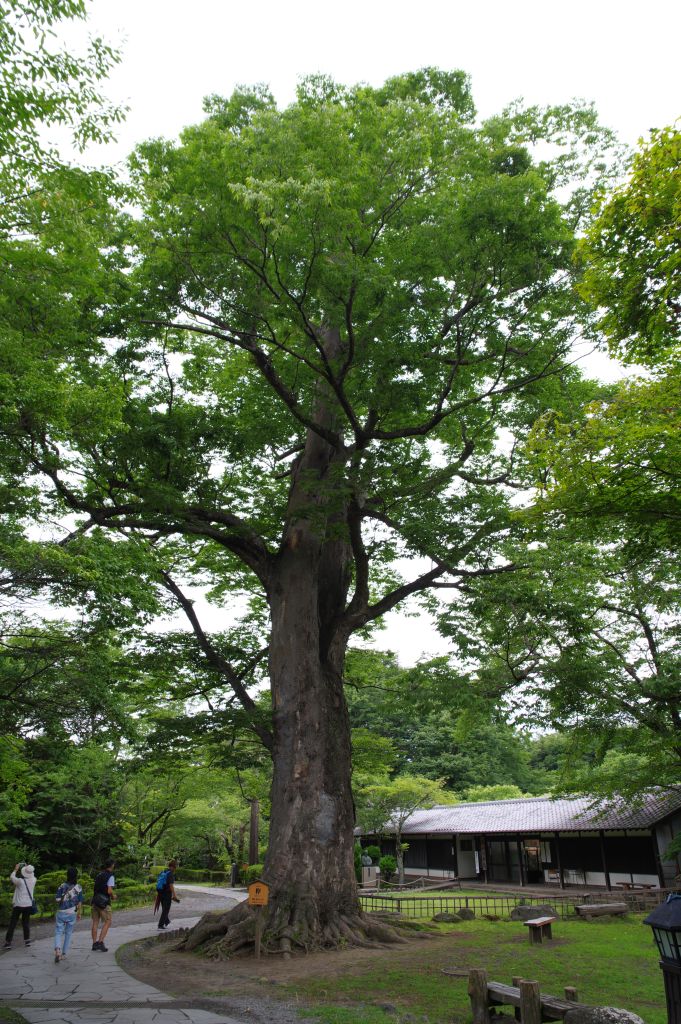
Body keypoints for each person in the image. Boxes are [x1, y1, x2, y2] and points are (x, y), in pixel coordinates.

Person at [54, 867, 84, 963]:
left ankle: (57, 949)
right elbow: (79, 902)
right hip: (72, 913)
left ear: (67, 875)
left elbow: (57, 899)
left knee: (58, 932)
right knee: (68, 933)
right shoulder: (78, 887)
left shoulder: (61, 886)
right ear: (76, 876)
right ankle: (64, 954)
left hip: (61, 912)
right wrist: (79, 913)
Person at [4, 863, 36, 949]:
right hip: (28, 905)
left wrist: (16, 869)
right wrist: (27, 867)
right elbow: (30, 874)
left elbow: (12, 877)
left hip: (18, 905)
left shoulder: (20, 881)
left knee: (13, 924)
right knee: (26, 923)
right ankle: (27, 941)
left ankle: (8, 942)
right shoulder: (34, 880)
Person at [90, 858, 116, 952]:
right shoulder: (111, 876)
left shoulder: (99, 874)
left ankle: (94, 944)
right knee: (108, 921)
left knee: (95, 922)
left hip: (95, 901)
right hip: (104, 903)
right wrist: (113, 896)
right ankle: (100, 942)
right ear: (112, 865)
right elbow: (109, 890)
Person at [156, 859, 180, 929]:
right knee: (166, 909)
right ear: (172, 867)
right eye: (175, 867)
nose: (175, 869)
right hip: (167, 893)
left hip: (160, 892)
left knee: (164, 908)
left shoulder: (164, 871)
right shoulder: (170, 874)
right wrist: (174, 895)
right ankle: (160, 925)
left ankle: (166, 921)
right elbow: (171, 885)